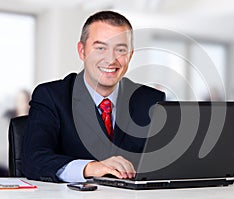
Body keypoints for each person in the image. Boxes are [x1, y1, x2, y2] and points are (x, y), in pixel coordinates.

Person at [22, 11, 166, 183]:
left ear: (130, 55)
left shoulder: (150, 100)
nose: (111, 59)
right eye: (100, 48)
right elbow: (33, 160)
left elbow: (166, 161)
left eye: (120, 50)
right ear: (82, 51)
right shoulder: (52, 96)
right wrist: (91, 168)